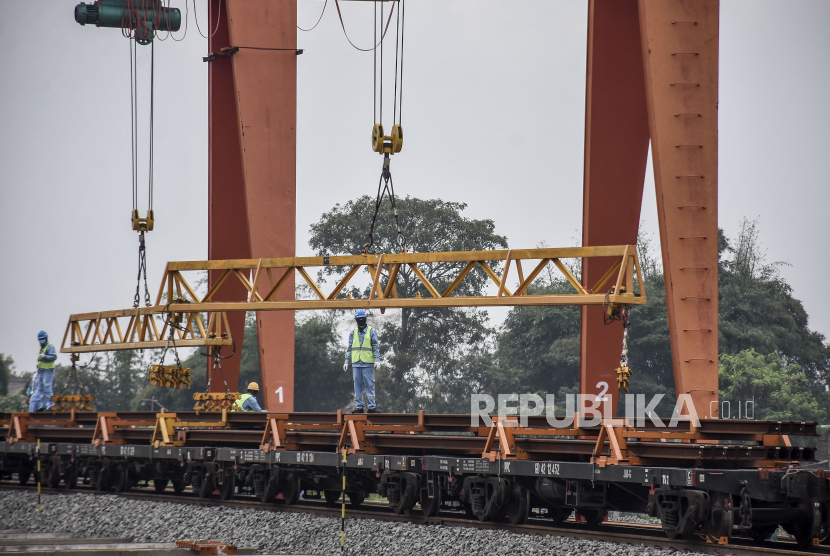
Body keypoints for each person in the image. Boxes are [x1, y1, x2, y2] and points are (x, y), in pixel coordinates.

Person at [343, 309, 381, 413]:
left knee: (369, 385)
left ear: (365, 319)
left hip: (367, 363)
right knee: (357, 385)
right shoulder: (353, 332)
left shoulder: (371, 331)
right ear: (356, 320)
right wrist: (347, 361)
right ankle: (359, 407)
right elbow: (350, 348)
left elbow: (375, 347)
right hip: (356, 363)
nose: (360, 320)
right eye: (359, 319)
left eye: (362, 318)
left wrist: (377, 360)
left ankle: (371, 407)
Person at [27, 331, 57, 412]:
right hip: (41, 371)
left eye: (42, 339)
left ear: (46, 338)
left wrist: (44, 356)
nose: (41, 340)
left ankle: (51, 405)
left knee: (47, 387)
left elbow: (54, 357)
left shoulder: (50, 347)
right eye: (40, 339)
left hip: (48, 370)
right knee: (41, 389)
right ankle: (44, 406)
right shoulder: (41, 348)